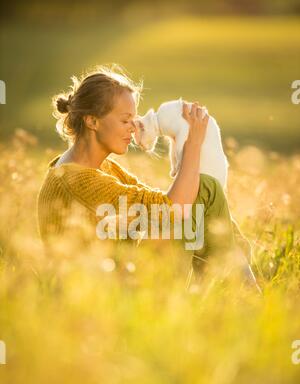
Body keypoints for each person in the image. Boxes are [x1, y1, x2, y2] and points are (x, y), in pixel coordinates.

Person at [37, 64, 260, 291]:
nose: (133, 129)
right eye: (125, 120)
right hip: (106, 295)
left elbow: (158, 207)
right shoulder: (76, 180)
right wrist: (193, 143)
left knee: (203, 199)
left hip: (121, 277)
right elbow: (171, 208)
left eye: (133, 120)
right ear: (92, 121)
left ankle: (233, 289)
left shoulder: (97, 168)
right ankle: (239, 292)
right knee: (203, 192)